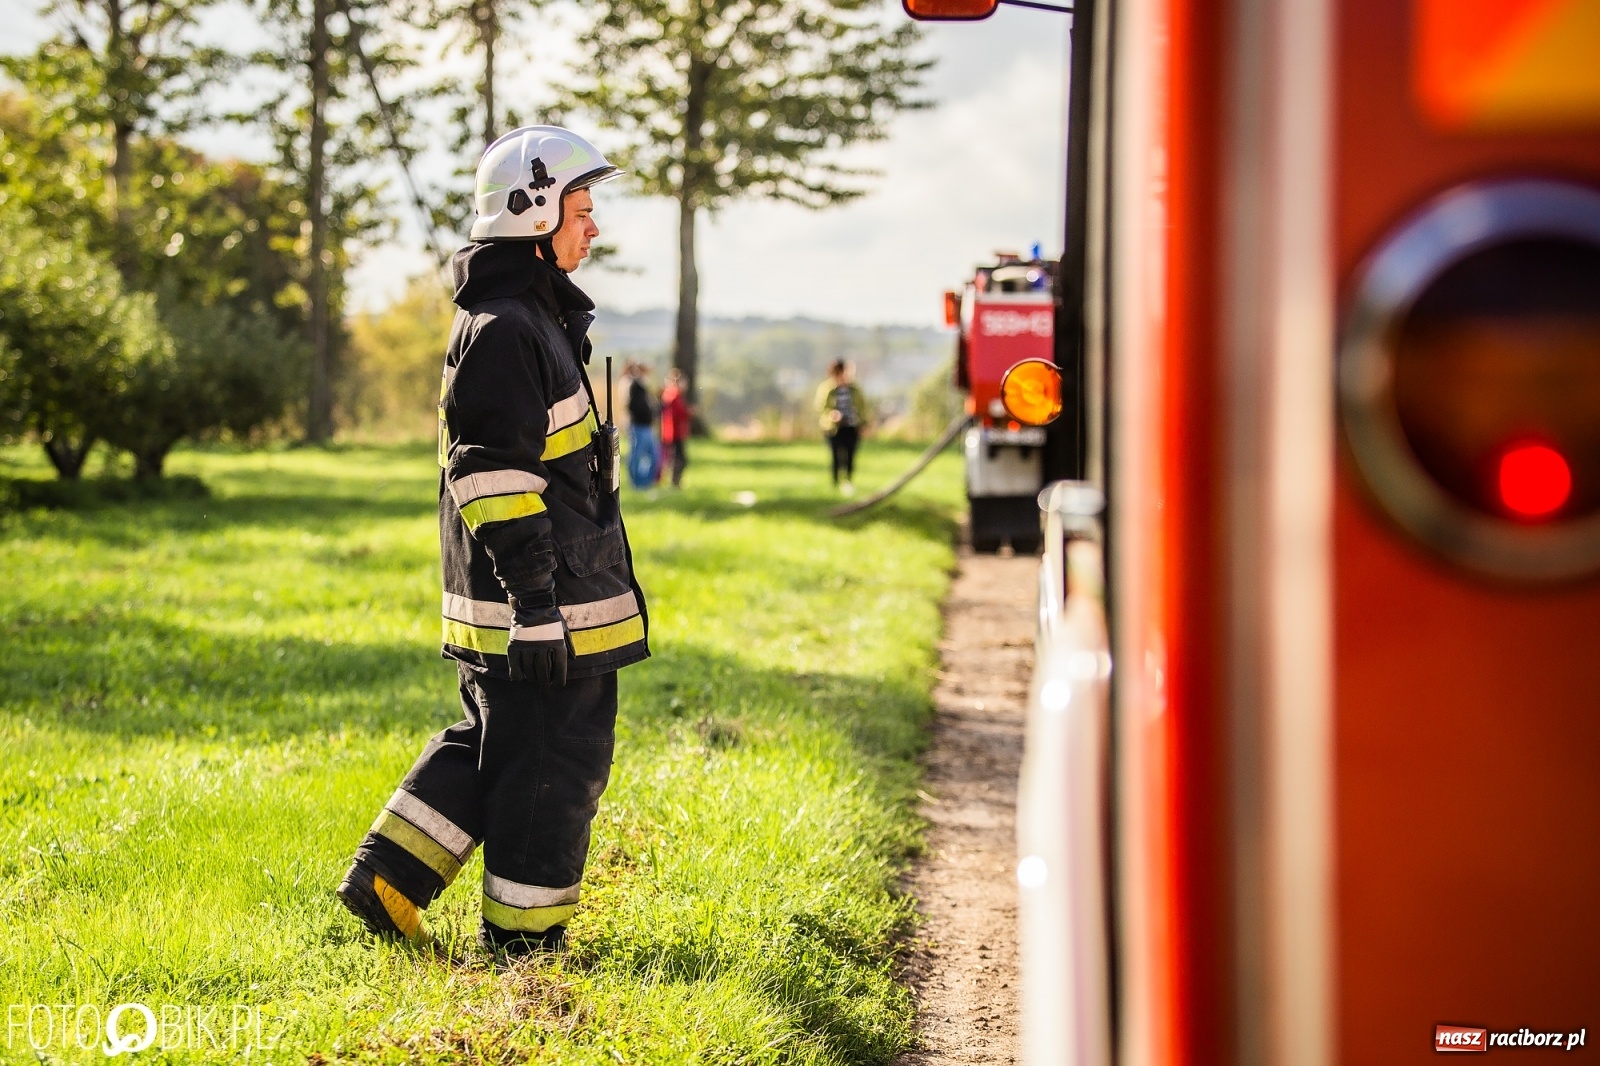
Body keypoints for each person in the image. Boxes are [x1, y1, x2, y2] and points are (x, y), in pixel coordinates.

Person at [336, 125, 650, 957]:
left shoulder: (526, 319)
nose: (593, 228)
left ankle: (389, 882)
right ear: (533, 217)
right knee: (552, 775)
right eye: (581, 211)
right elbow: (493, 479)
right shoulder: (510, 330)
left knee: (499, 752)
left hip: (544, 604)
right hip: (542, 613)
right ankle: (525, 953)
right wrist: (539, 608)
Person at [815, 359, 867, 494]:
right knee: (836, 456)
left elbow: (862, 406)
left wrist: (863, 423)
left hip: (851, 426)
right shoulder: (827, 388)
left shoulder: (854, 389)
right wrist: (832, 415)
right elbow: (821, 407)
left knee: (850, 455)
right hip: (834, 428)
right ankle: (835, 482)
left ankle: (848, 481)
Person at [624, 362, 660, 490]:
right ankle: (636, 484)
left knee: (654, 456)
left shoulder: (644, 387)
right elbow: (633, 406)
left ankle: (646, 483)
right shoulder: (634, 386)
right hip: (638, 426)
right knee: (637, 455)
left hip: (647, 426)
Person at [659, 368, 690, 488]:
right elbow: (679, 412)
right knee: (679, 458)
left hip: (672, 431)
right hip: (674, 432)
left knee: (676, 457)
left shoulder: (669, 393)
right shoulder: (674, 394)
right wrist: (689, 412)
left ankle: (675, 480)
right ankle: (675, 481)